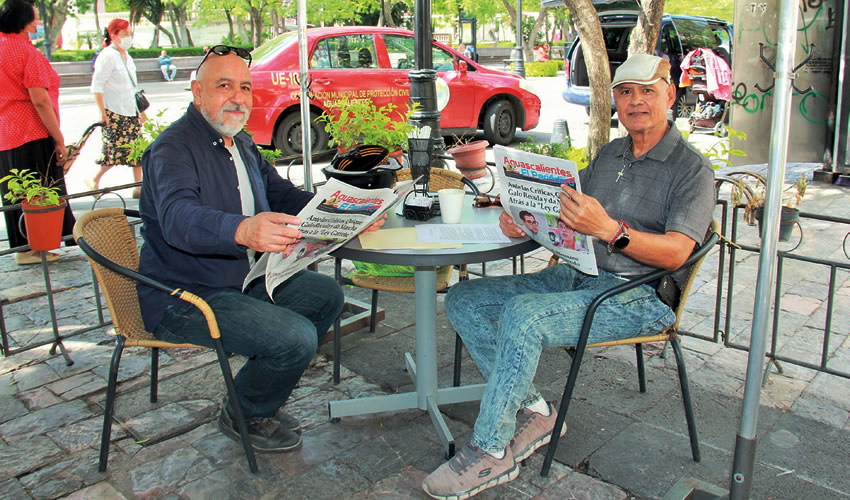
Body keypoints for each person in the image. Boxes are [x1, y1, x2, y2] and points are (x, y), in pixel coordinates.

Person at [422, 53, 716, 499]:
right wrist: (522, 214)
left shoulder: (692, 170)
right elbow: (563, 204)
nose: (635, 101)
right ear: (614, 99)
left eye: (647, 91)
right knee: (464, 299)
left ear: (670, 95)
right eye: (625, 92)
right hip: (578, 274)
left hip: (636, 295)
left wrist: (610, 231)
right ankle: (536, 411)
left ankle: (491, 451)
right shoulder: (611, 153)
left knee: (526, 316)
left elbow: (677, 253)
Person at [137, 47, 385, 452]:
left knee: (327, 296)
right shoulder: (173, 148)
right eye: (224, 86)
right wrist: (242, 229)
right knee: (295, 339)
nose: (238, 97)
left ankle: (257, 391)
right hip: (183, 295)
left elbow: (280, 194)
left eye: (246, 87)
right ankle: (244, 411)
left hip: (242, 278)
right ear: (197, 93)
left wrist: (348, 210)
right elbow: (178, 217)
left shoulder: (240, 141)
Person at [0, 0, 76, 265]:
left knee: (14, 187)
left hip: (5, 130)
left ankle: (23, 248)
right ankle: (39, 246)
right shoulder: (26, 52)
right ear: (24, 22)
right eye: (34, 19)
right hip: (32, 129)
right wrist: (59, 138)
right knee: (40, 187)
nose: (37, 24)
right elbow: (40, 99)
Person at [89, 18, 144, 197]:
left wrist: (139, 111)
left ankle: (139, 187)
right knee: (114, 153)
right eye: (125, 34)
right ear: (113, 36)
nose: (129, 37)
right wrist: (101, 113)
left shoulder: (127, 57)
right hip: (114, 112)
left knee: (137, 152)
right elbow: (97, 87)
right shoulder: (108, 56)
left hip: (130, 111)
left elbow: (132, 87)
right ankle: (94, 179)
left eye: (129, 34)